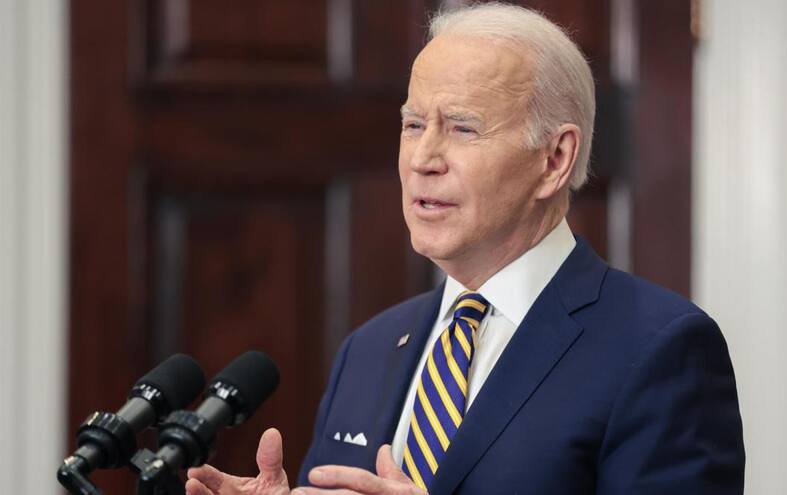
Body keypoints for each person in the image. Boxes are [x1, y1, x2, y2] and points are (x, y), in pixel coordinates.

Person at [185, 3, 745, 494]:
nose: (423, 158)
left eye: (462, 129)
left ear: (554, 160)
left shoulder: (661, 349)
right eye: (412, 125)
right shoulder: (370, 348)